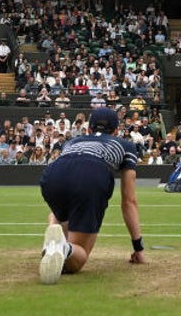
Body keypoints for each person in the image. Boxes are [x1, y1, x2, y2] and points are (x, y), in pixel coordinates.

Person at [36, 107, 146, 285]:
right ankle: (63, 248)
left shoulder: (71, 142)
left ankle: (53, 242)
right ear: (116, 131)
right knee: (78, 255)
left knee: (59, 215)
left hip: (53, 174)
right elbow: (129, 201)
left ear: (88, 129)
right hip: (91, 175)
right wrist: (138, 248)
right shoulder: (126, 146)